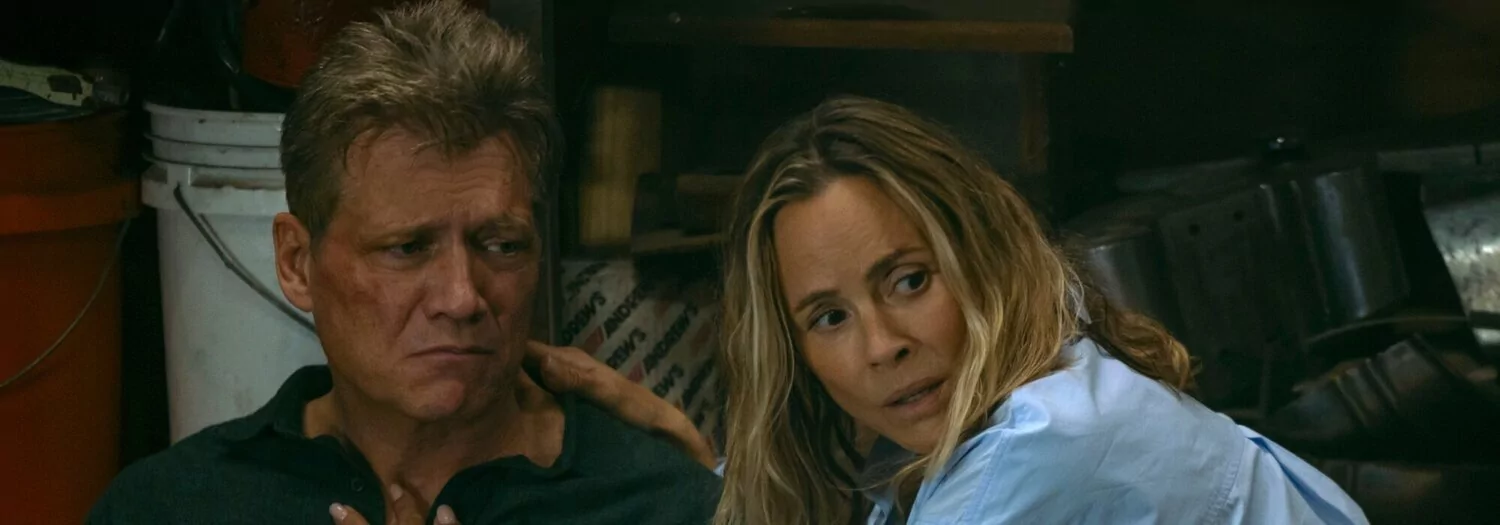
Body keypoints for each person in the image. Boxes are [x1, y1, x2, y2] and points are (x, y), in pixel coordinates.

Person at [535, 96, 1370, 524]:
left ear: (981, 257)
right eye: (828, 317)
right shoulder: (1007, 412)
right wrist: (703, 465)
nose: (882, 346)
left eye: (907, 281)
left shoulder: (1038, 445)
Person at [86, 2, 719, 524]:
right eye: (408, 248)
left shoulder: (663, 507)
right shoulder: (170, 508)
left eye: (502, 244)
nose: (462, 297)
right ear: (297, 262)